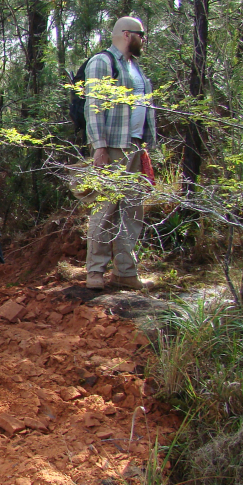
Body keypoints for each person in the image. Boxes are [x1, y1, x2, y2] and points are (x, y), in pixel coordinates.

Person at [85, 16, 156, 291]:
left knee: (132, 211)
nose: (144, 40)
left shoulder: (134, 66)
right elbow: (93, 105)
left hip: (136, 145)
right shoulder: (103, 62)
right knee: (106, 208)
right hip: (113, 146)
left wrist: (146, 145)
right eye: (141, 35)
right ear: (127, 34)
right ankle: (95, 272)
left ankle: (125, 271)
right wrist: (99, 146)